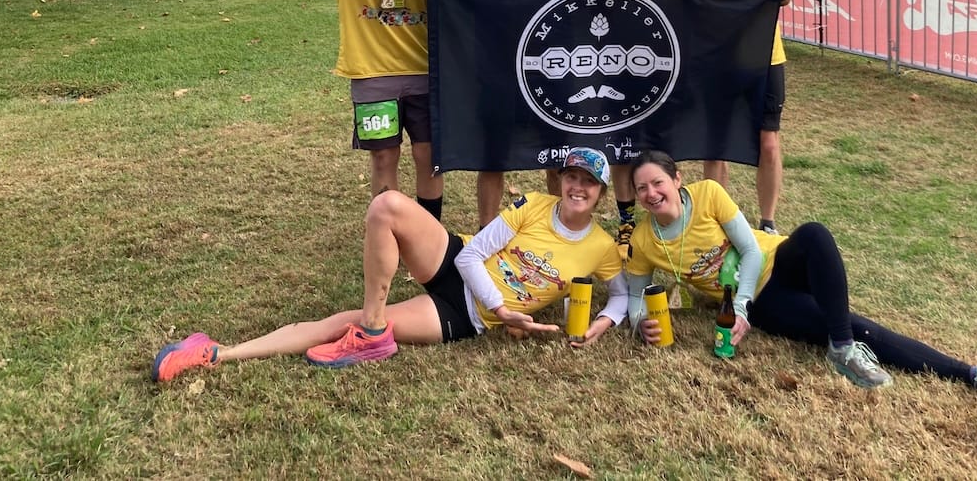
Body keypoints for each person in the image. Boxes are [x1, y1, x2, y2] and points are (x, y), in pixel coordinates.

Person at [152, 148, 628, 382]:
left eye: (588, 182)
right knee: (387, 206)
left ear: (602, 193)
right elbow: (470, 254)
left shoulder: (603, 247)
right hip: (457, 267)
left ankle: (218, 353)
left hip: (464, 318)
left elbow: (624, 294)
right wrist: (502, 308)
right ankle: (374, 332)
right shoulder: (537, 205)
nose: (577, 187)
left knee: (338, 323)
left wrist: (601, 325)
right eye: (570, 177)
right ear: (560, 179)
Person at [624, 151, 977, 407]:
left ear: (677, 180)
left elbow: (748, 249)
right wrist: (642, 322)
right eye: (641, 188)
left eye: (657, 182)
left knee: (814, 233)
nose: (650, 193)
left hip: (776, 261)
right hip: (769, 303)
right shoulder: (644, 239)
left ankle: (842, 349)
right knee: (858, 326)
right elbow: (636, 294)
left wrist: (739, 306)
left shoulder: (709, 193)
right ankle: (976, 375)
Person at [264, 0, 454, 213]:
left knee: (429, 156)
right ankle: (392, 231)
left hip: (425, 68)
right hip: (371, 71)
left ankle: (428, 236)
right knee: (384, 157)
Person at [456, 0, 587, 228]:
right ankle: (486, 233)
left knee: (556, 151)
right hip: (496, 62)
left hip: (553, 62)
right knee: (493, 154)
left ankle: (556, 229)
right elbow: (463, 0)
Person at [680, 0, 796, 234]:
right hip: (719, 58)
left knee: (768, 140)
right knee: (716, 144)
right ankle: (718, 224)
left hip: (765, 54)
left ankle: (767, 223)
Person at [588, 0, 689, 250]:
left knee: (665, 142)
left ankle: (667, 218)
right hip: (619, 59)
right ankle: (628, 220)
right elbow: (593, 0)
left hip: (666, 59)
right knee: (620, 142)